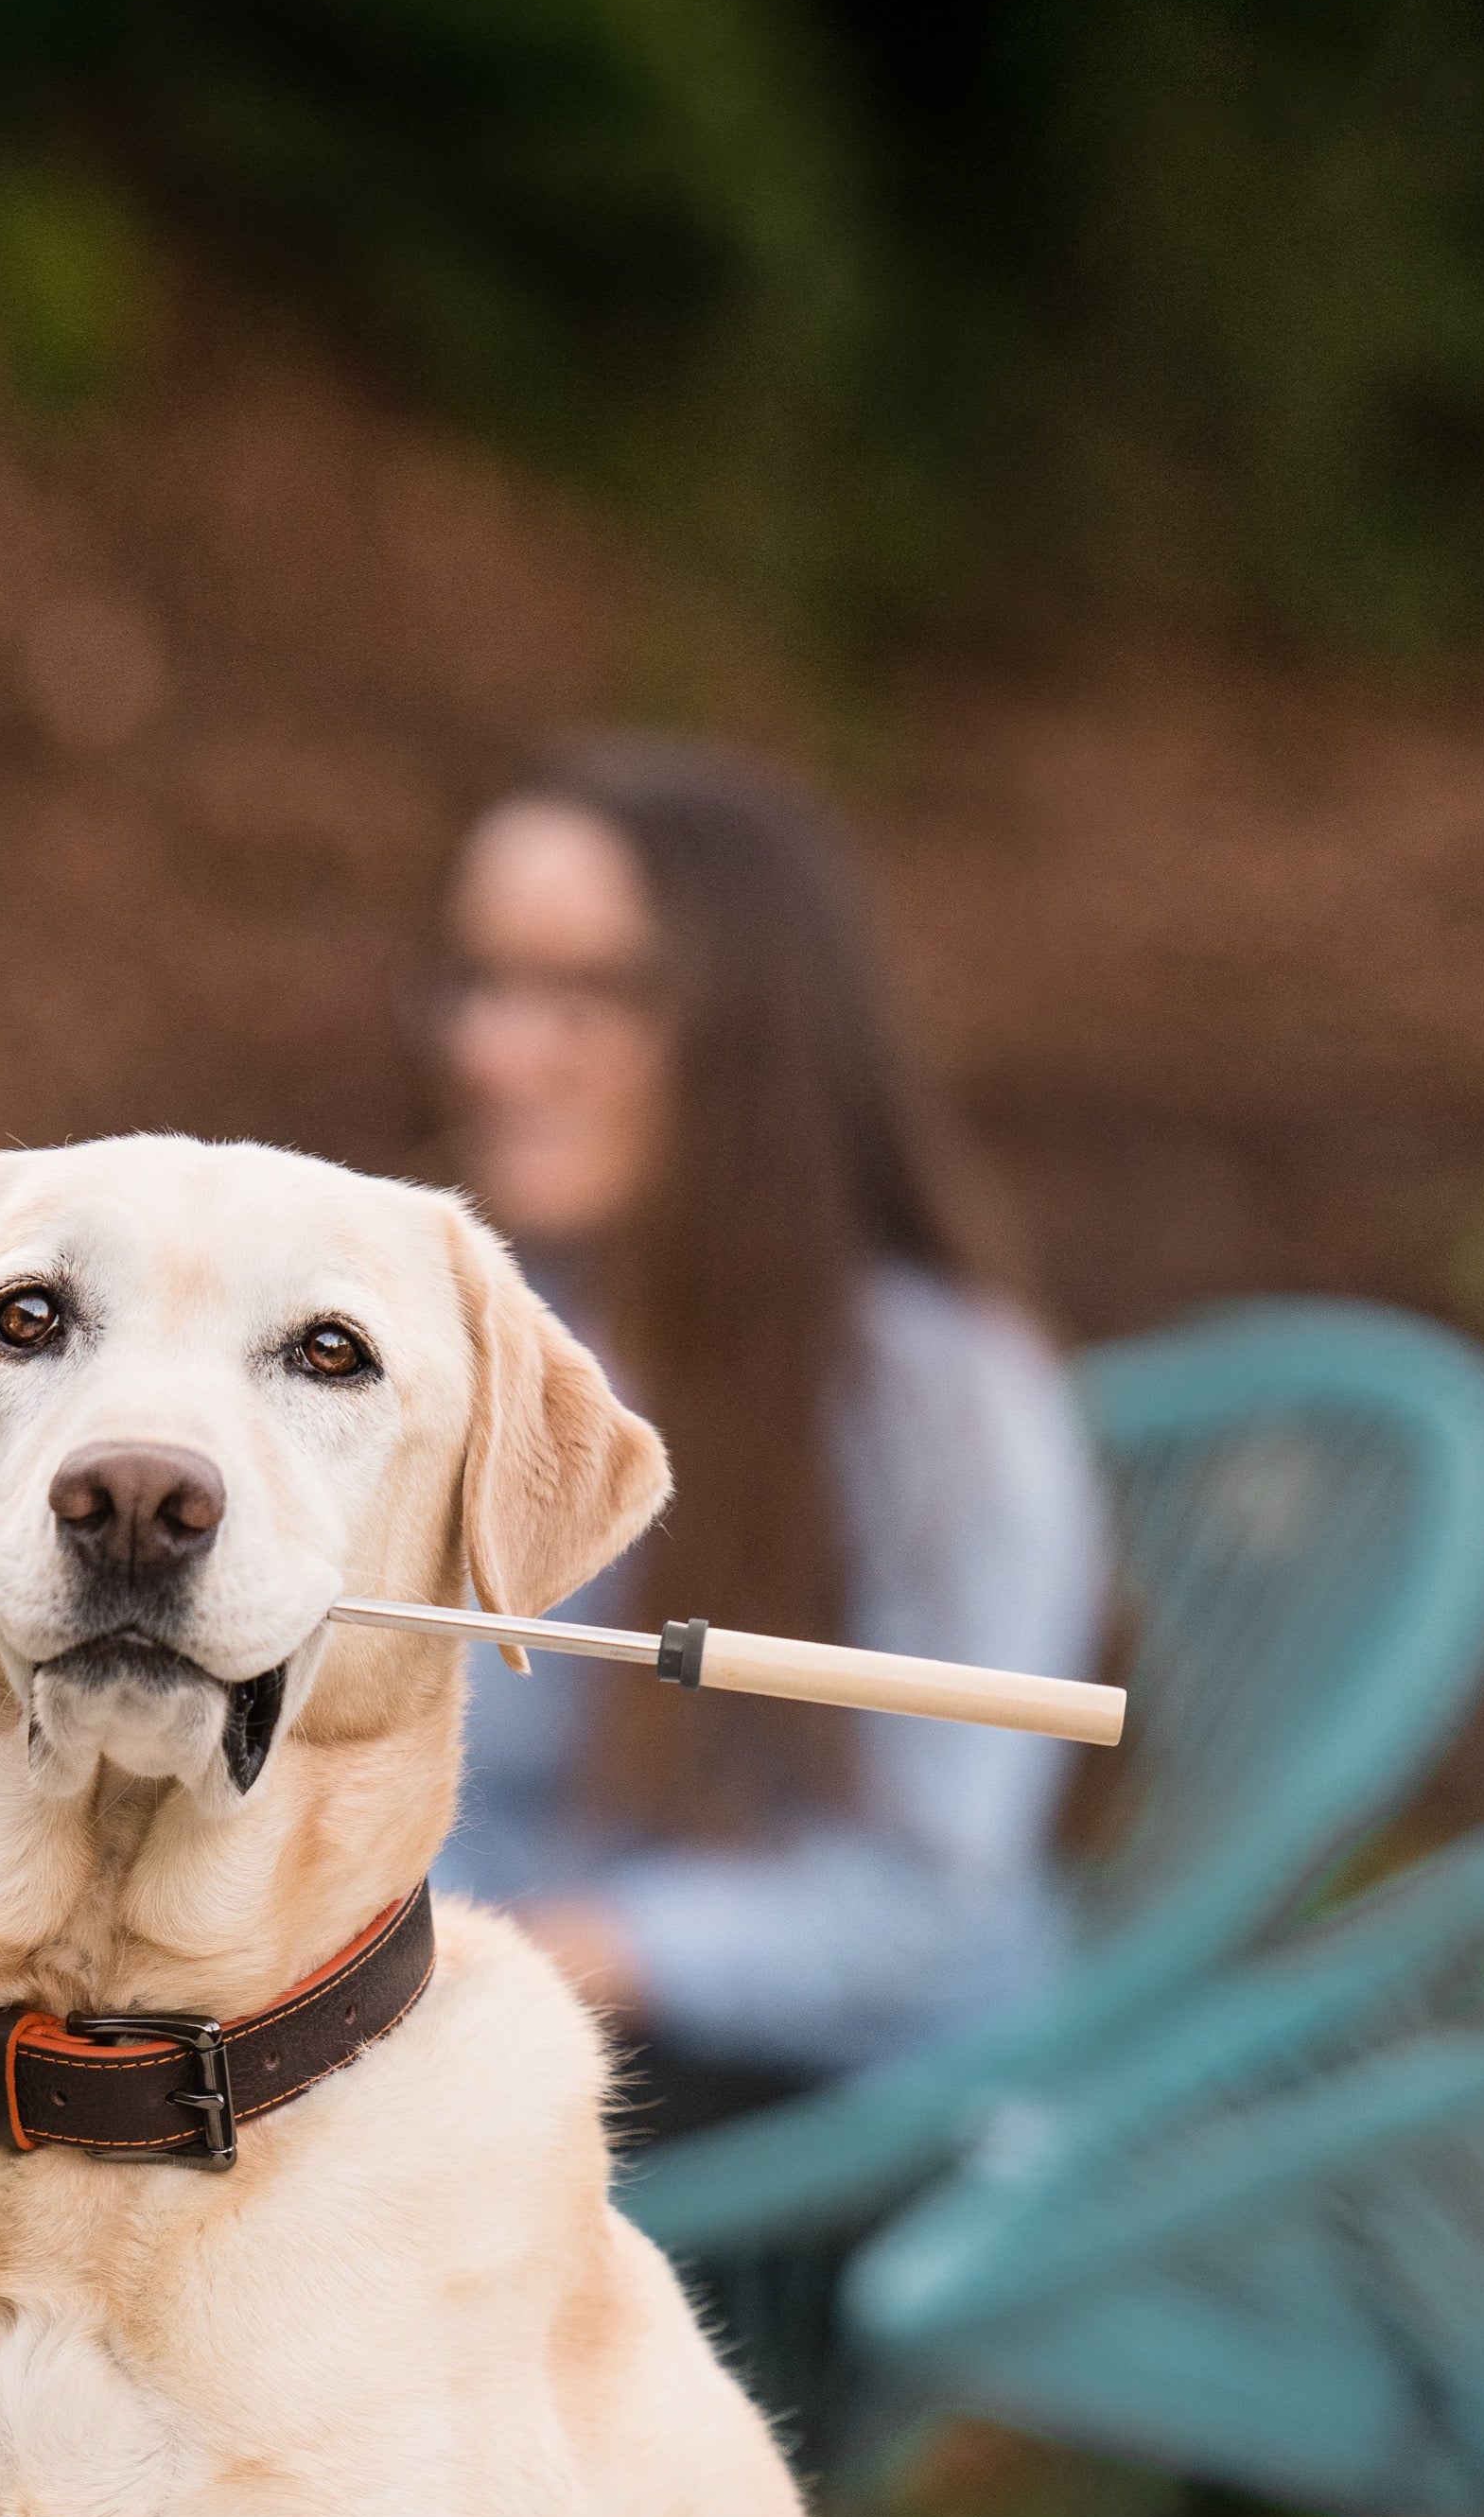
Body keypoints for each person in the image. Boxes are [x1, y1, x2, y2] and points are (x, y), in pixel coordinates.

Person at [429, 735, 1106, 2140]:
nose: (494, 1048)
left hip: (822, 2120)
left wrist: (553, 1952)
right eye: (481, 981)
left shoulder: (936, 1399)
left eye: (588, 993)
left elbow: (927, 1900)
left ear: (754, 1022)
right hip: (505, 2015)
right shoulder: (491, 1331)